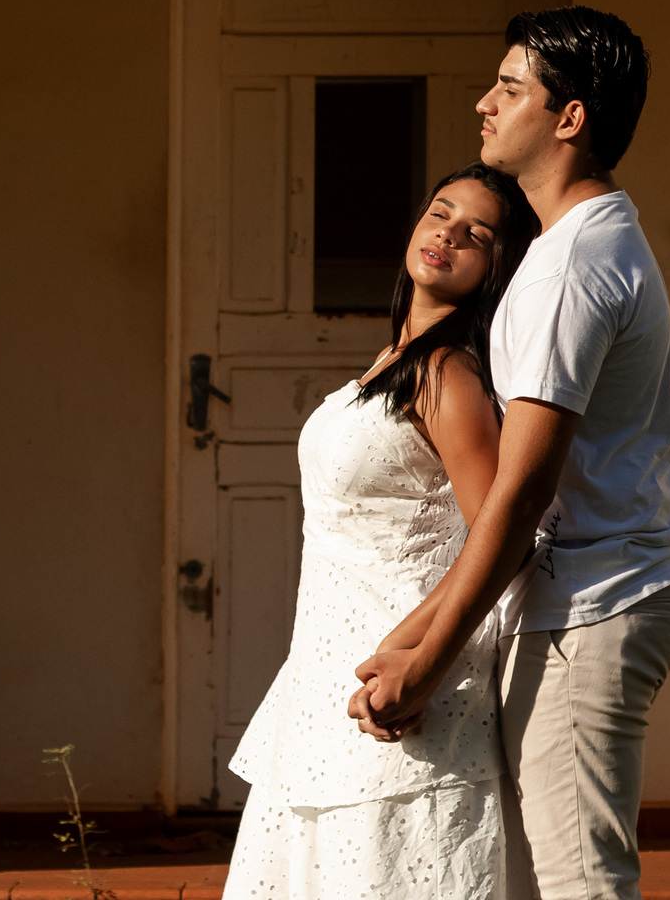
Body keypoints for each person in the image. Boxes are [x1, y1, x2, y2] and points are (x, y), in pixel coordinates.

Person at [350, 6, 670, 900]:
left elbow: (521, 493)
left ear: (569, 117)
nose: (483, 104)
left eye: (510, 88)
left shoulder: (571, 265)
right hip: (592, 595)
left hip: (594, 600)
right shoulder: (586, 243)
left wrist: (423, 667)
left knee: (576, 884)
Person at [221, 161, 538, 900]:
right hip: (326, 676)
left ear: (496, 268)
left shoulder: (449, 377)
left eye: (477, 234)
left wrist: (412, 651)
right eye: (440, 213)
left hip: (404, 685)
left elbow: (503, 536)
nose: (448, 234)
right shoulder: (393, 364)